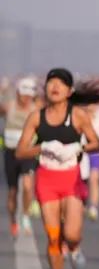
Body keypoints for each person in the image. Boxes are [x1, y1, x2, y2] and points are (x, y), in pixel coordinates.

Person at [14, 69, 99, 269]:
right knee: (53, 236)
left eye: (61, 83)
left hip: (71, 178)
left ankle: (74, 248)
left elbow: (96, 143)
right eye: (51, 83)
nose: (55, 87)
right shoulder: (36, 117)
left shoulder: (77, 115)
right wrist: (42, 147)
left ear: (69, 91)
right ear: (45, 88)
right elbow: (20, 151)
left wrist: (78, 147)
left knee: (71, 234)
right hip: (47, 179)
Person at [3, 77, 39, 237]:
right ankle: (13, 220)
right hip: (11, 152)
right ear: (18, 93)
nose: (26, 98)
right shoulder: (9, 107)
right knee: (12, 191)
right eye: (24, 95)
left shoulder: (35, 109)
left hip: (28, 152)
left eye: (29, 95)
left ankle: (25, 215)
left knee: (27, 185)